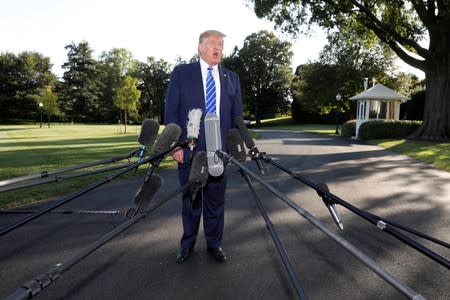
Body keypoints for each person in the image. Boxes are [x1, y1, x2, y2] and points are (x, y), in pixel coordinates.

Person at [164, 30, 243, 264]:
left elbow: (237, 117)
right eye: (212, 43)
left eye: (220, 44)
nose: (217, 47)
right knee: (191, 200)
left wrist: (236, 147)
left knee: (216, 201)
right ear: (200, 47)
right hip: (190, 149)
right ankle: (187, 244)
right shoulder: (182, 73)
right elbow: (171, 111)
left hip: (219, 151)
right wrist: (175, 146)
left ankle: (214, 243)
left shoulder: (231, 78)